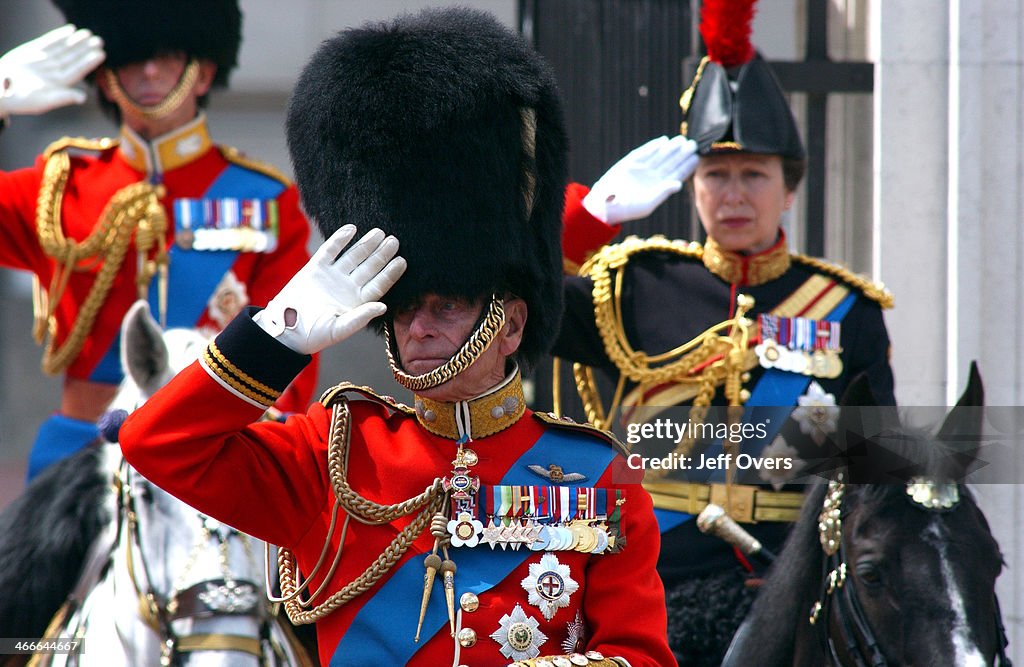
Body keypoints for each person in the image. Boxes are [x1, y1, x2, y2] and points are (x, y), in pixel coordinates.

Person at [120, 9, 676, 667]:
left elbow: (639, 656)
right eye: (403, 306)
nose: (418, 324)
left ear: (512, 324)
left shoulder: (598, 476)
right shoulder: (329, 456)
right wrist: (279, 335)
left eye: (447, 303)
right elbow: (154, 442)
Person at [550, 1, 896, 665]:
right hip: (650, 586)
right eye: (716, 176)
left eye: (753, 175)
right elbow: (505, 309)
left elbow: (874, 471)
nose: (734, 196)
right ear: (692, 187)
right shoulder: (635, 283)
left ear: (790, 187)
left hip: (793, 598)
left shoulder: (846, 310)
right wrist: (590, 219)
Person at [0, 0, 316, 480]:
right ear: (106, 78)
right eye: (130, 58)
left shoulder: (262, 199)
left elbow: (292, 333)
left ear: (203, 73)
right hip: (85, 448)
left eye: (167, 56)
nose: (148, 71)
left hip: (209, 450)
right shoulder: (59, 185)